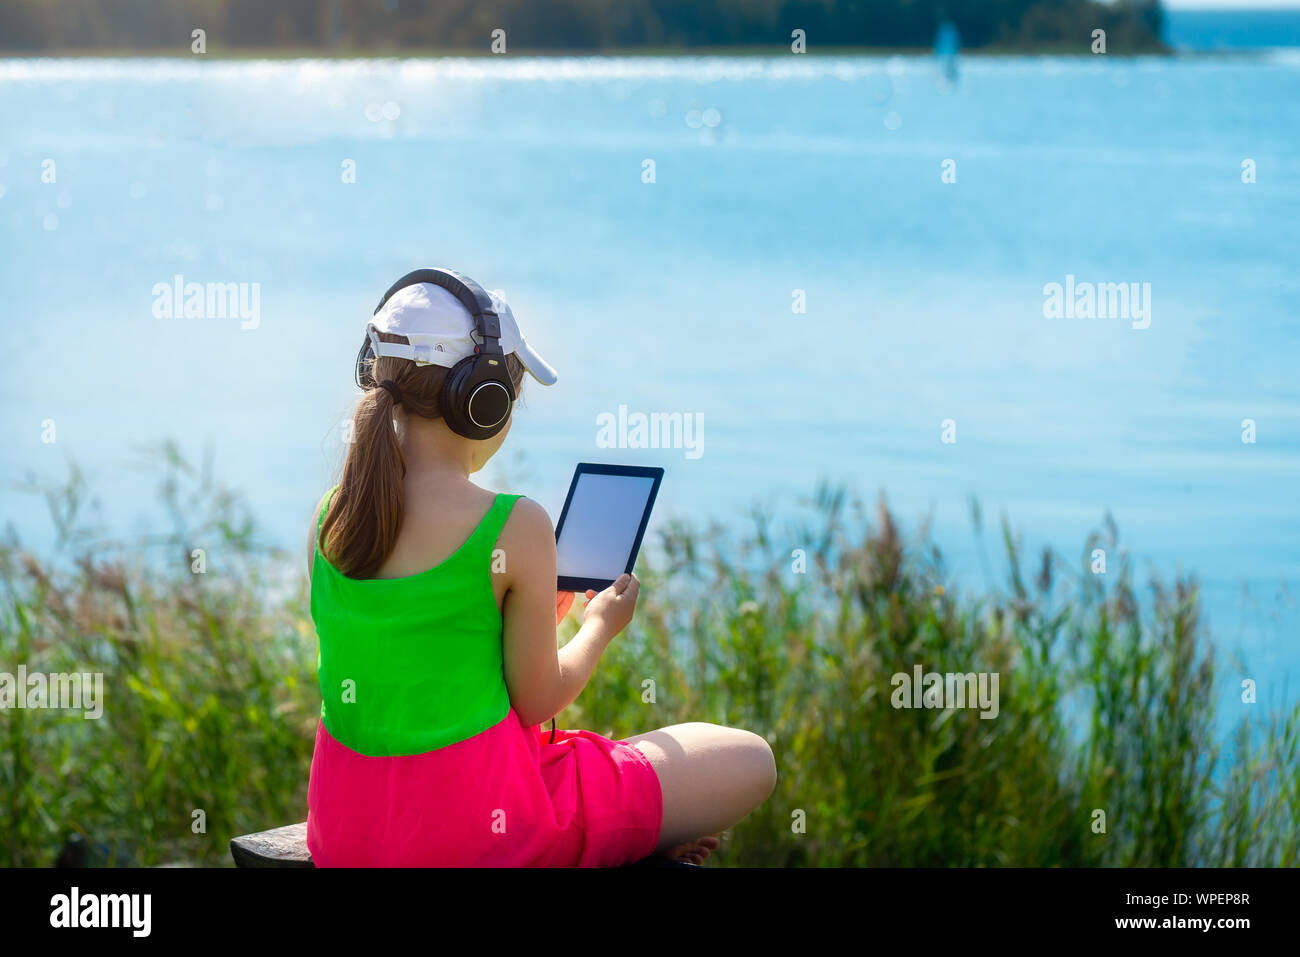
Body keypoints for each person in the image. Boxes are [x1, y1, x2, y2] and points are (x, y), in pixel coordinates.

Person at [304, 270, 776, 866]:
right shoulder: (514, 525)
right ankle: (637, 832)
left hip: (351, 833)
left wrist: (515, 618)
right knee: (752, 758)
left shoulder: (334, 516)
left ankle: (638, 823)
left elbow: (414, 670)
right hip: (480, 832)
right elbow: (538, 702)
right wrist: (599, 625)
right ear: (483, 400)